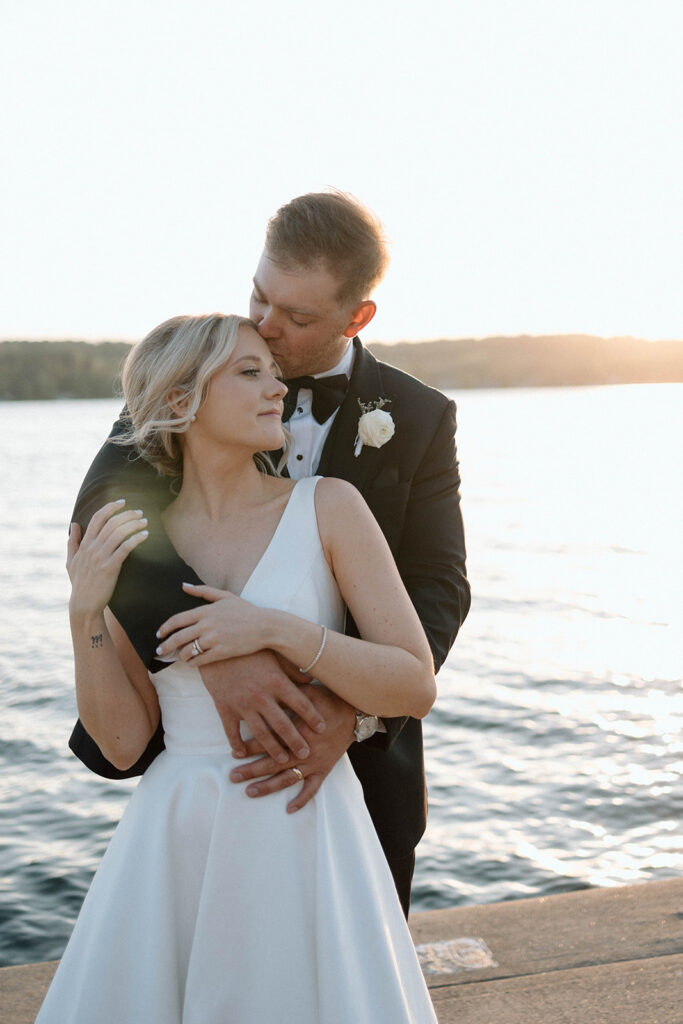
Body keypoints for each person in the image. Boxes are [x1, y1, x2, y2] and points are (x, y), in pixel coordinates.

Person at [69, 190, 471, 914]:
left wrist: (350, 715)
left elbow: (436, 588)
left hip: (359, 778)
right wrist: (221, 655)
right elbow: (102, 512)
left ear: (357, 317)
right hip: (191, 778)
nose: (266, 326)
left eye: (298, 317)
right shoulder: (198, 373)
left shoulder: (416, 418)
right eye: (260, 297)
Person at [37, 313, 438, 1023]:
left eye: (272, 372)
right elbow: (123, 742)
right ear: (177, 402)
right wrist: (86, 616)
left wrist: (273, 629)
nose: (276, 389)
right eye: (249, 372)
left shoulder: (329, 507)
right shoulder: (137, 545)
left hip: (306, 822)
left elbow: (413, 683)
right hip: (176, 829)